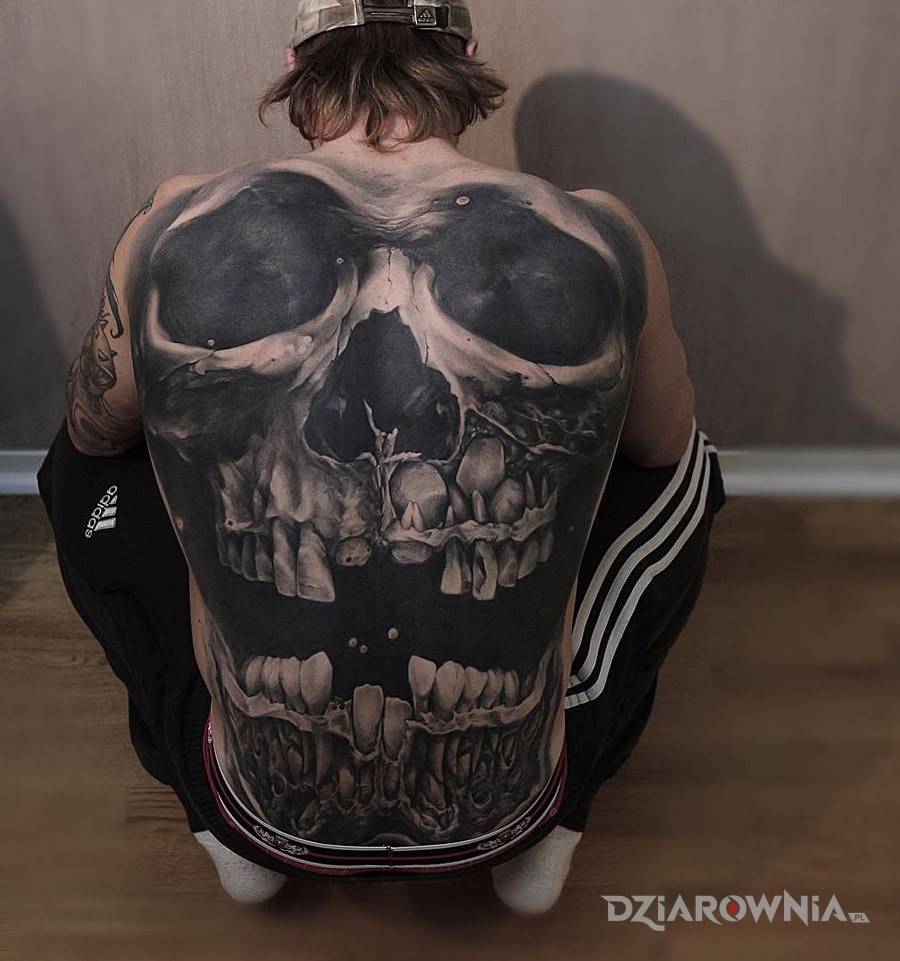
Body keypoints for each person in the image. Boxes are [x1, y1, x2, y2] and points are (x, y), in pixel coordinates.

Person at [38, 0, 726, 914]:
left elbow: (94, 434)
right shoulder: (604, 233)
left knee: (81, 459)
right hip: (508, 809)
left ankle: (221, 819)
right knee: (688, 472)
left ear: (298, 60)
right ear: (465, 53)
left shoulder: (172, 222)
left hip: (253, 804)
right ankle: (556, 815)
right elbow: (662, 447)